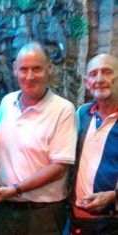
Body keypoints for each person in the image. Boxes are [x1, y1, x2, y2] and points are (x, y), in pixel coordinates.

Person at [0, 42, 77, 235]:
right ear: (14, 70)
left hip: (42, 214)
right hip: (6, 209)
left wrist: (14, 189)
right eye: (24, 69)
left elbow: (58, 168)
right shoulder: (7, 102)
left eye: (37, 69)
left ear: (49, 69)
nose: (30, 76)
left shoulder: (63, 109)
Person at [70, 53, 118, 234]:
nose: (99, 79)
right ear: (86, 82)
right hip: (77, 220)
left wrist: (114, 196)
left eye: (107, 72)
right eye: (93, 74)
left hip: (112, 222)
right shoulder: (82, 114)